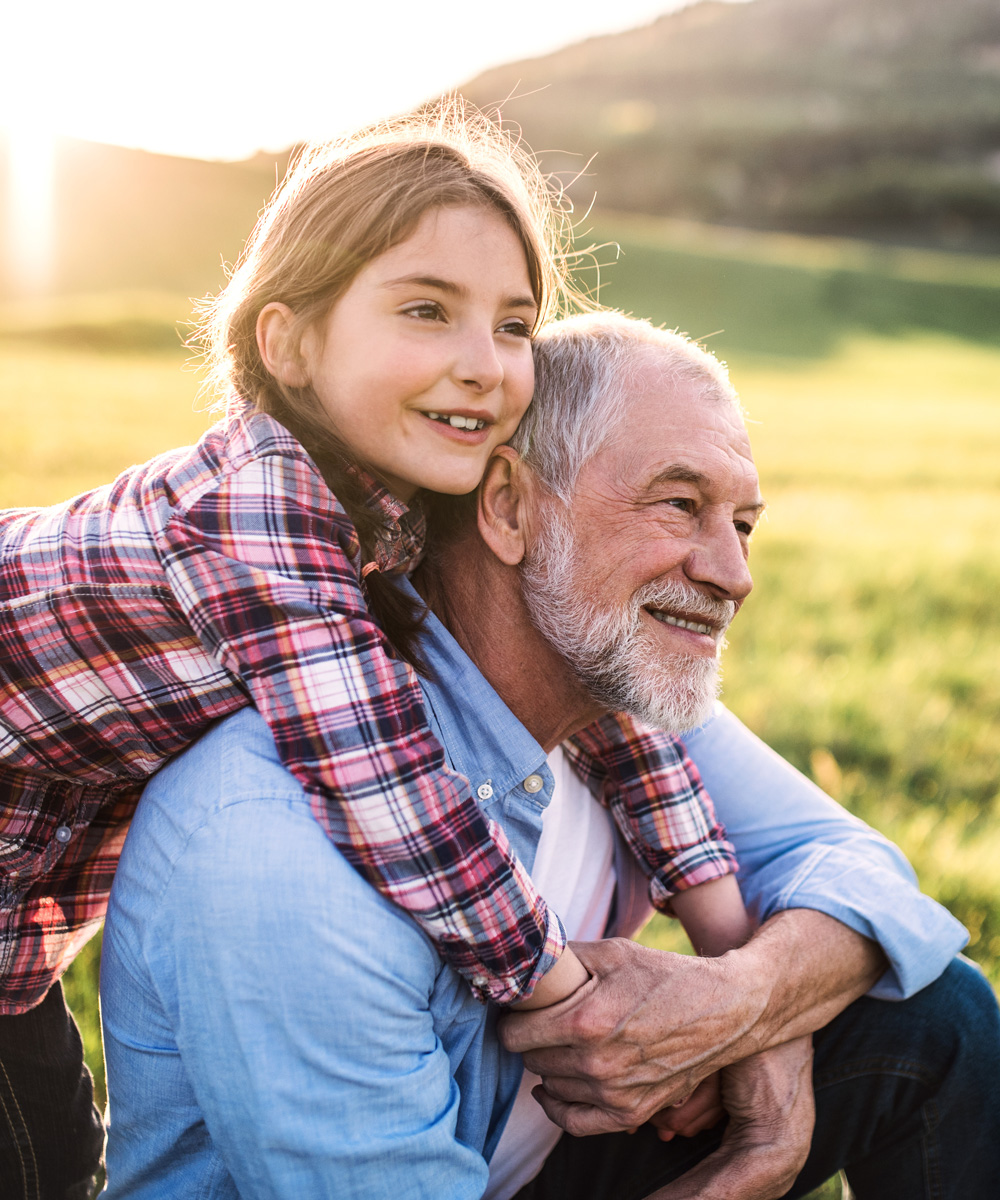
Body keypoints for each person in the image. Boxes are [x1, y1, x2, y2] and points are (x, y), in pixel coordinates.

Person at [0, 109, 751, 1197]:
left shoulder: (391, 506)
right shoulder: (251, 515)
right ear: (288, 343)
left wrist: (722, 928)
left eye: (511, 325)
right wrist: (561, 997)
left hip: (24, 920)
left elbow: (606, 713)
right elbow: (388, 787)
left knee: (55, 1158)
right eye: (425, 311)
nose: (482, 366)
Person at [100, 312, 996, 1199]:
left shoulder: (617, 701)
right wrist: (739, 1178)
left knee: (936, 1018)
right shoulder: (279, 841)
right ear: (510, 508)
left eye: (744, 523)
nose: (734, 572)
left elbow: (878, 887)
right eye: (681, 505)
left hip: (523, 1163)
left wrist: (736, 1007)